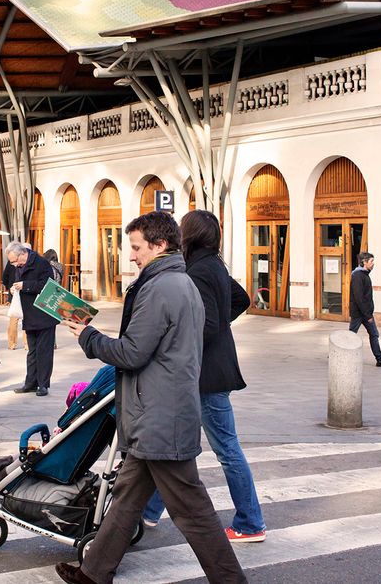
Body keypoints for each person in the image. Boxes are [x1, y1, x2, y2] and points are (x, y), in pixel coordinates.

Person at [56, 211, 246, 584]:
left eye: (136, 247)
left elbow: (131, 352)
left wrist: (88, 337)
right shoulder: (179, 282)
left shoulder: (161, 288)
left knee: (192, 510)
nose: (131, 255)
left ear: (159, 246)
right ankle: (93, 573)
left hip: (160, 415)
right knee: (127, 497)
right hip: (159, 410)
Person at [140, 210, 266, 543]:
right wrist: (221, 322)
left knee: (226, 449)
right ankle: (148, 512)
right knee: (171, 441)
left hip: (205, 376)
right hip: (208, 372)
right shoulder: (213, 266)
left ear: (190, 235)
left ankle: (251, 522)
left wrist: (180, 341)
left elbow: (206, 325)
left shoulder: (197, 271)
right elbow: (241, 299)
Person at [6, 241, 56, 396]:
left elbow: (48, 285)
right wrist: (13, 290)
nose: (14, 265)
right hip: (28, 314)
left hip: (44, 314)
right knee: (32, 351)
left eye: (14, 261)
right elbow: (13, 281)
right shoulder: (19, 265)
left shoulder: (41, 263)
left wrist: (25, 285)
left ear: (22, 254)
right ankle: (30, 383)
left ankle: (43, 385)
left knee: (44, 351)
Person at [349, 252, 381, 367]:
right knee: (351, 335)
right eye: (371, 261)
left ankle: (380, 359)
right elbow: (359, 297)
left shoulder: (364, 274)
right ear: (364, 262)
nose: (373, 264)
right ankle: (337, 352)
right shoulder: (357, 276)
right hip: (360, 313)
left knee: (373, 334)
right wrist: (367, 315)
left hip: (365, 312)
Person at [2, 257, 27, 350]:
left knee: (14, 319)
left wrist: (9, 287)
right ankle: (27, 343)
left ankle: (12, 344)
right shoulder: (27, 262)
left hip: (14, 293)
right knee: (26, 318)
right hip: (26, 293)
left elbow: (4, 277)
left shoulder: (11, 261)